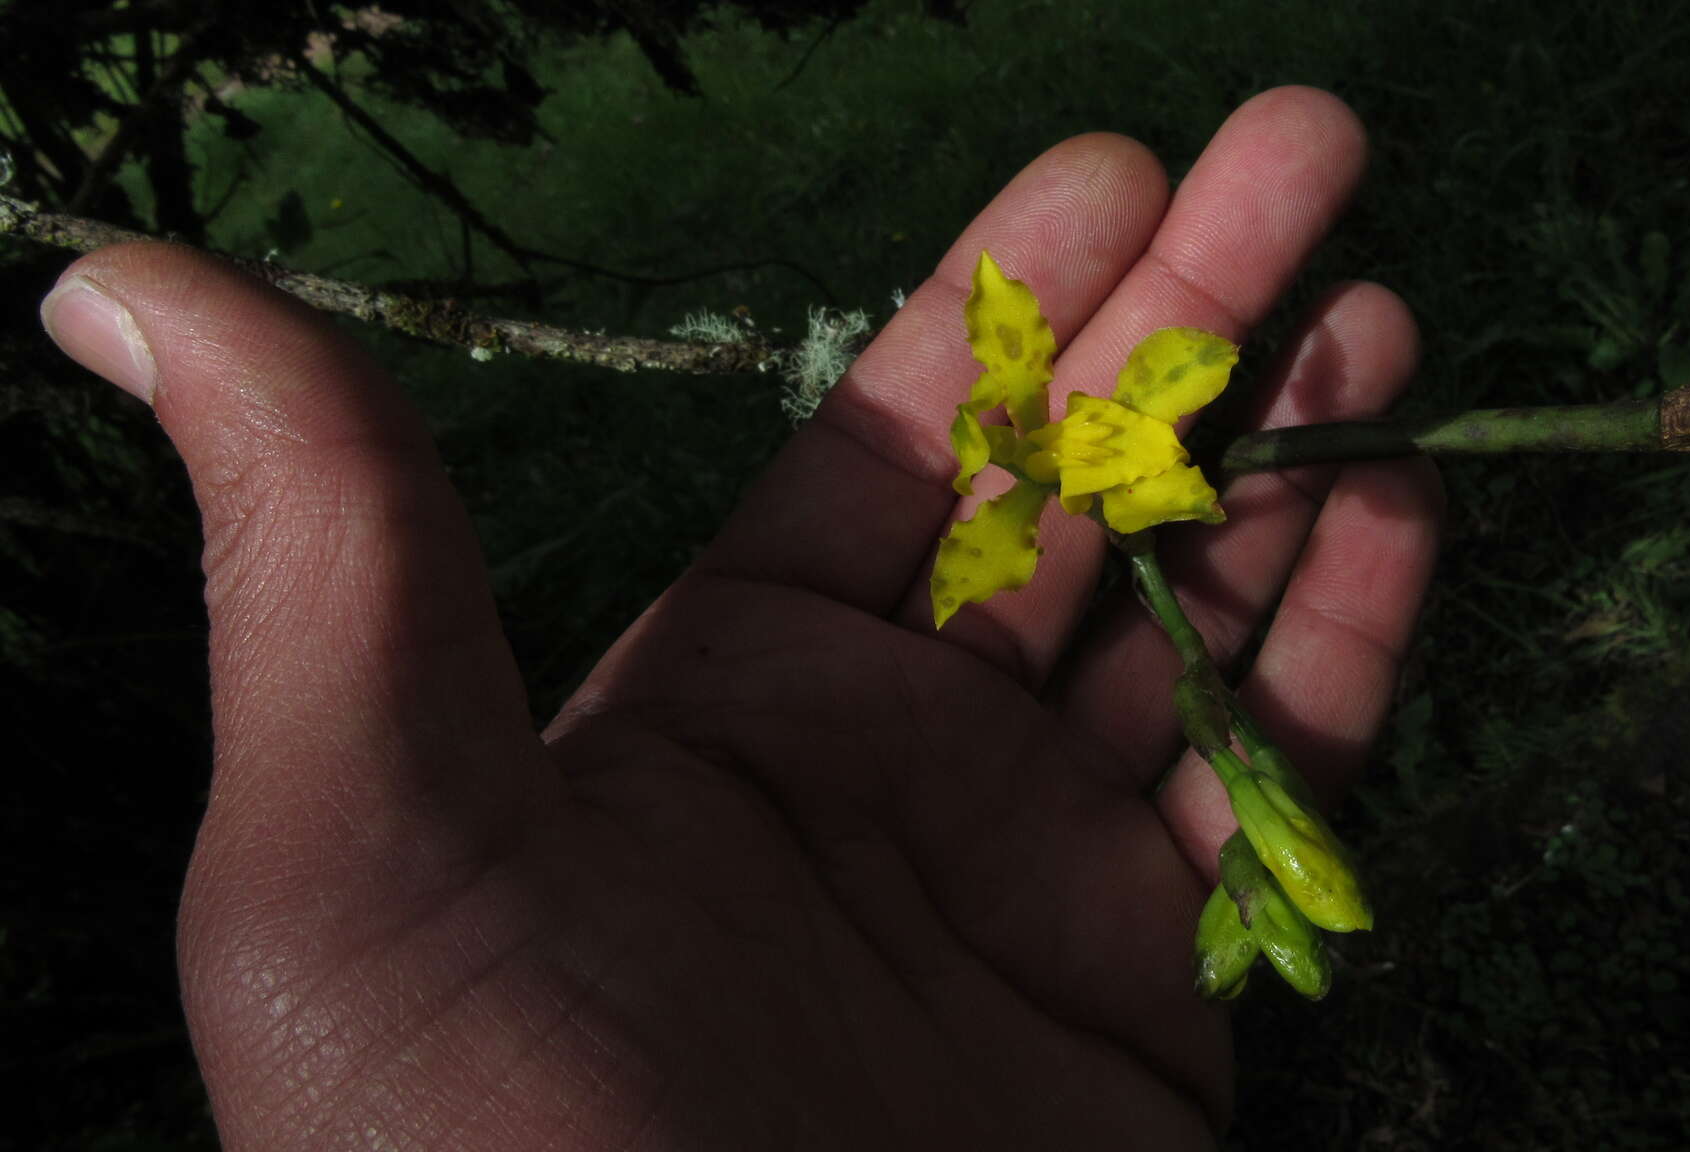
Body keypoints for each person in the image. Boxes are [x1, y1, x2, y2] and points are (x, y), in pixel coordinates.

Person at [39, 86, 1439, 1148]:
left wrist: (1113, 467)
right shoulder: (1015, 500)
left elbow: (1125, 425)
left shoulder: (1077, 456)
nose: (1001, 435)